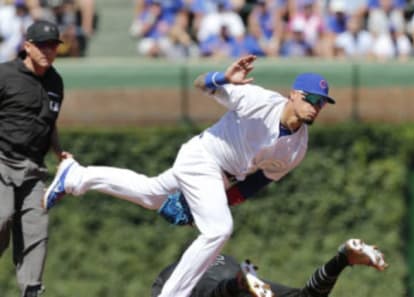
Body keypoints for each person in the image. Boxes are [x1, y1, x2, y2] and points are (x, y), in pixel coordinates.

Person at [42, 54, 336, 297]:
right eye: (312, 98)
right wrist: (222, 78)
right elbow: (201, 84)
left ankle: (76, 176)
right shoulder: (258, 100)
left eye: (322, 102)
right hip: (202, 158)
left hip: (221, 177)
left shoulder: (297, 148)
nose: (316, 106)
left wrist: (222, 199)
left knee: (149, 193)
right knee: (219, 230)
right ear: (295, 94)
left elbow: (258, 182)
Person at [0, 20, 71, 297]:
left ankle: (31, 291)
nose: (47, 50)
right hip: (2, 161)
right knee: (2, 217)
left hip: (33, 169)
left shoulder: (55, 81)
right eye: (41, 45)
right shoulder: (5, 75)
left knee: (37, 230)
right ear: (27, 46)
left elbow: (49, 122)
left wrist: (58, 151)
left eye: (52, 45)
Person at [151, 238, 388, 297]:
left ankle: (237, 284)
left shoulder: (172, 276)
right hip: (226, 276)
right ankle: (342, 258)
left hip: (225, 280)